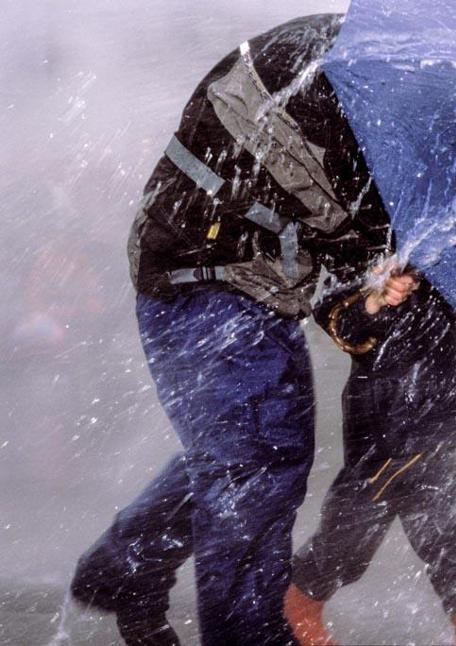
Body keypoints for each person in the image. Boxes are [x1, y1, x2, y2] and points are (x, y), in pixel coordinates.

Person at [70, 14, 402, 646]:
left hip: (241, 278)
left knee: (244, 446)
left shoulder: (372, 70)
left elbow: (343, 254)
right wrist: (387, 265)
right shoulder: (350, 77)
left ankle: (125, 570)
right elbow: (347, 226)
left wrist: (378, 279)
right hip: (202, 272)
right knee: (258, 456)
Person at [283, 267, 456, 646]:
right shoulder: (371, 237)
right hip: (386, 413)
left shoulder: (446, 252)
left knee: (442, 522)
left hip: (437, 411)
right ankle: (300, 602)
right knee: (360, 524)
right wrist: (374, 299)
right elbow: (337, 319)